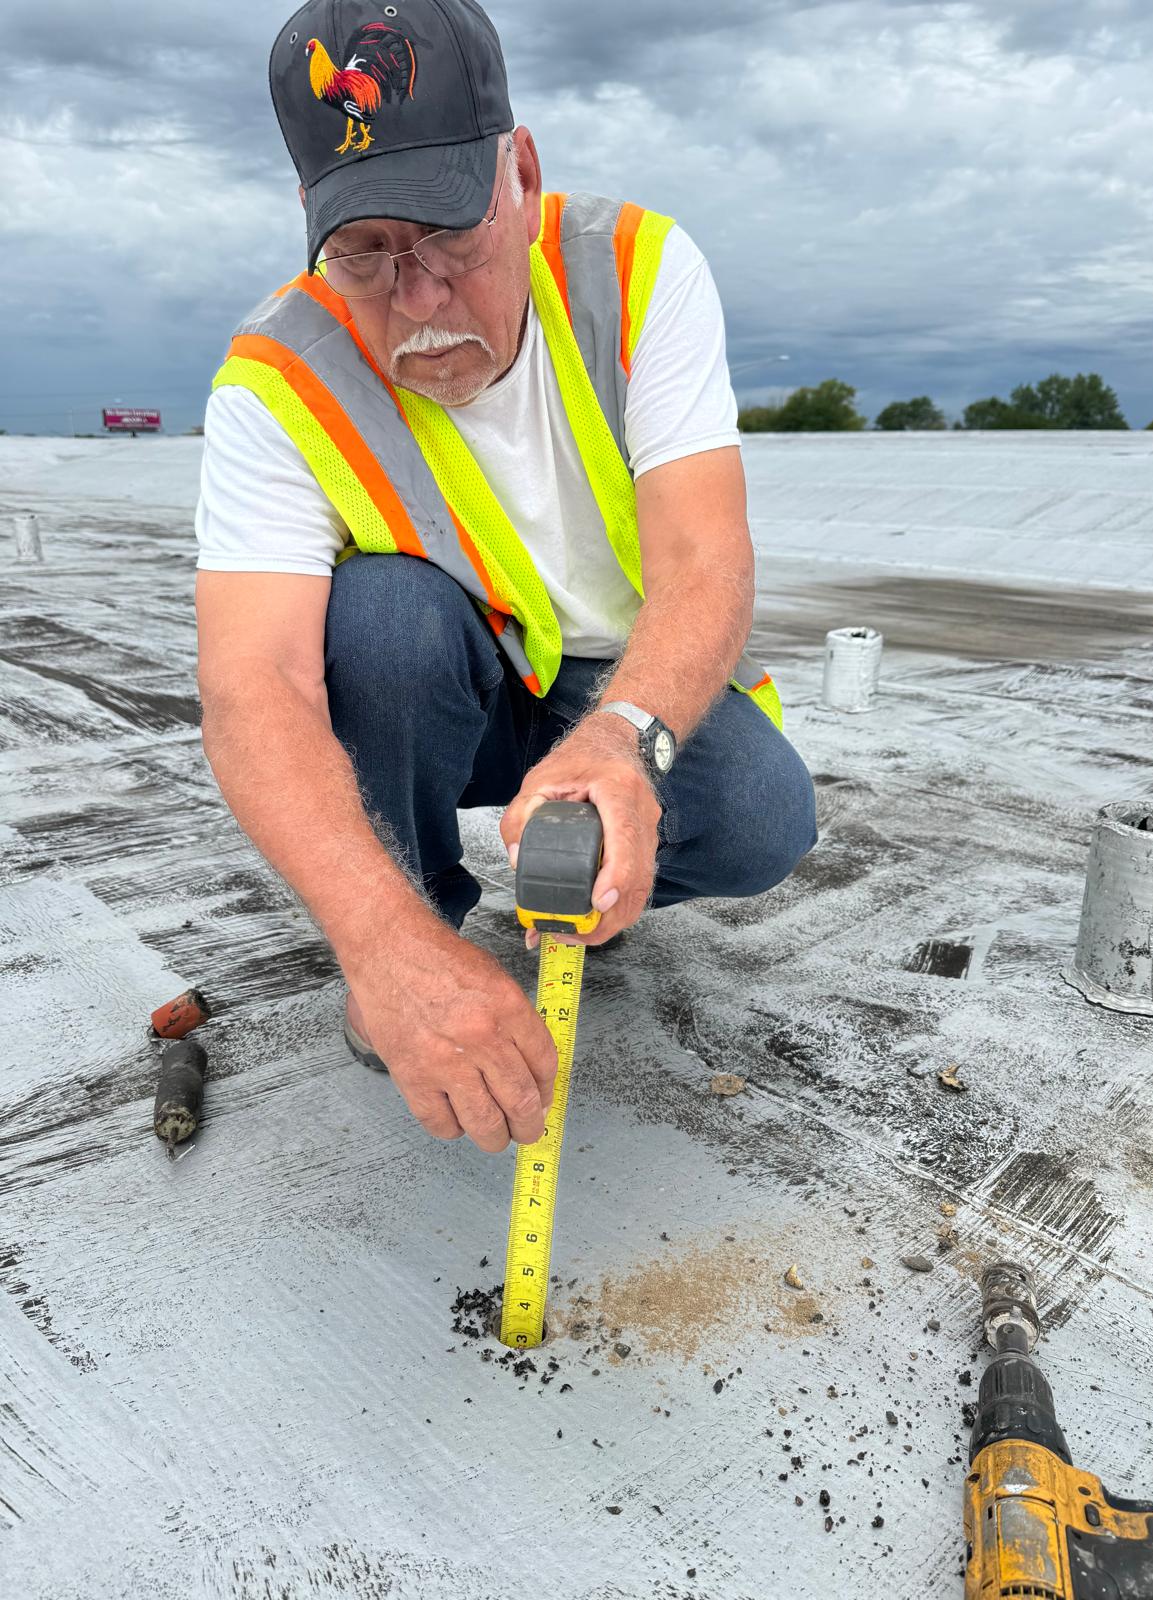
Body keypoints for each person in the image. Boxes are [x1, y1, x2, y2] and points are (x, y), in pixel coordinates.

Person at [194, 0, 817, 1156]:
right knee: (383, 620)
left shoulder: (637, 271)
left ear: (520, 172)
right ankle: (419, 929)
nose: (417, 298)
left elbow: (704, 560)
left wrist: (623, 738)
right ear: (311, 223)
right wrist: (380, 944)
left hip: (605, 681)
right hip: (447, 688)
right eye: (368, 250)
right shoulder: (277, 378)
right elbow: (252, 685)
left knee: (760, 813)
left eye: (448, 237)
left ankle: (592, 885)